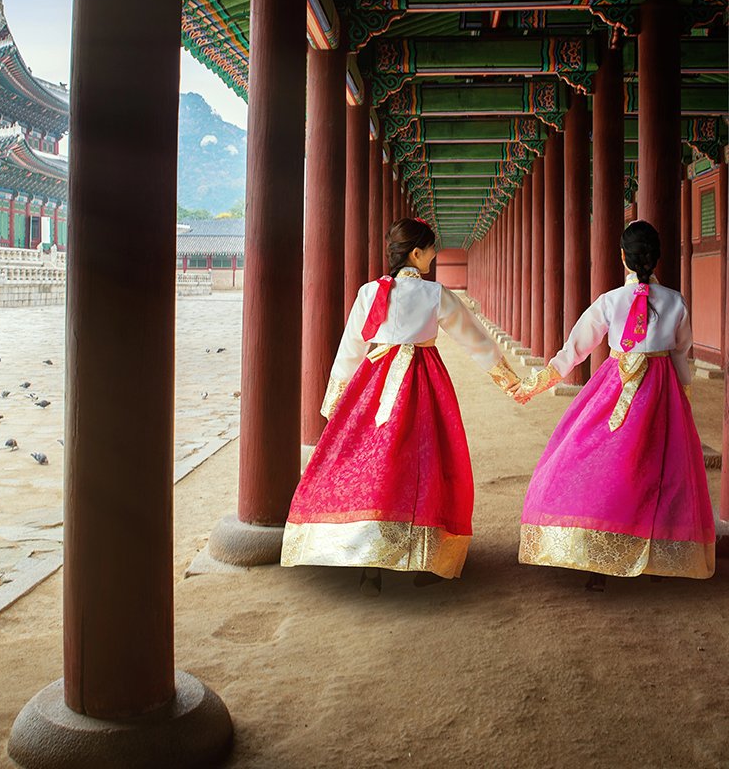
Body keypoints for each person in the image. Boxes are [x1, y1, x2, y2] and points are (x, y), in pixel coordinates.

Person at [281, 218, 521, 588]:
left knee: (371, 461)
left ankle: (368, 557)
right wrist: (511, 380)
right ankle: (424, 558)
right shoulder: (434, 294)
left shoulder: (368, 292)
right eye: (430, 248)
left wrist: (336, 400)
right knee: (424, 463)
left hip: (372, 381)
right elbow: (475, 340)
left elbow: (350, 348)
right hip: (422, 382)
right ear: (416, 253)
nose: (435, 255)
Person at [514, 220, 714, 587]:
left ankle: (596, 558)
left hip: (615, 386)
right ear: (657, 257)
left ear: (622, 257)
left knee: (601, 463)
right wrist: (682, 391)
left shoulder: (609, 301)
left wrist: (538, 382)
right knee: (663, 469)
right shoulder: (675, 300)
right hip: (661, 388)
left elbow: (575, 349)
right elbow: (682, 352)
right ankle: (661, 557)